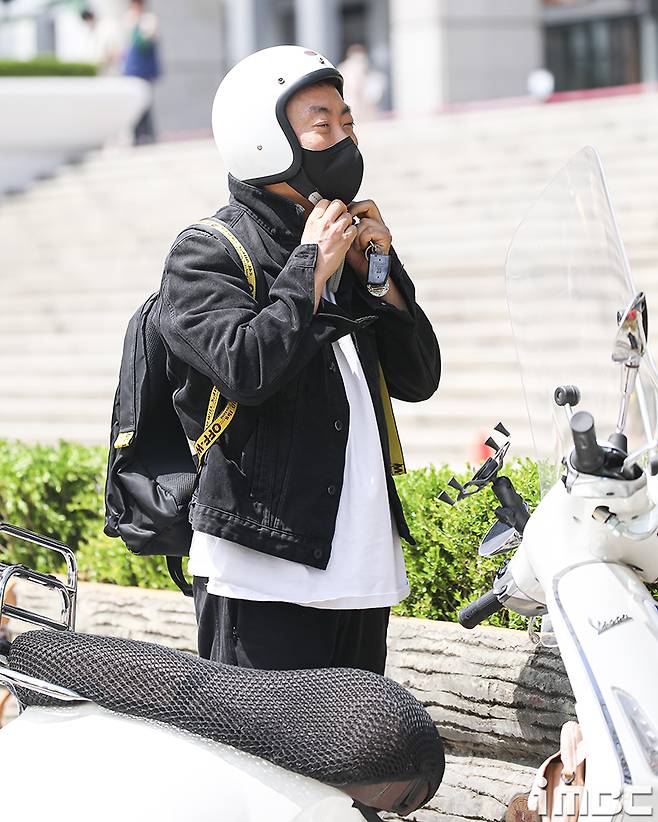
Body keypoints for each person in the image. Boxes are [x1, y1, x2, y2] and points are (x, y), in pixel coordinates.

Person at [156, 46, 440, 675]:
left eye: (348, 122)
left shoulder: (345, 244)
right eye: (322, 123)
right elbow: (245, 368)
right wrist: (310, 267)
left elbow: (420, 378)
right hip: (262, 560)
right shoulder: (207, 252)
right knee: (263, 760)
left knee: (358, 758)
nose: (343, 138)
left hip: (360, 557)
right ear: (265, 138)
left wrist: (380, 273)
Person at [121, 0, 160, 144]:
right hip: (132, 69)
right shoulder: (128, 19)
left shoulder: (149, 19)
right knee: (134, 103)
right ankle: (136, 136)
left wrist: (137, 24)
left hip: (144, 69)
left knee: (146, 104)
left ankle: (148, 135)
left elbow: (146, 41)